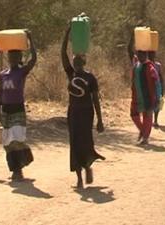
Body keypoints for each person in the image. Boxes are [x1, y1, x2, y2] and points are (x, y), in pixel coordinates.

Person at [61, 25, 105, 189]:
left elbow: (96, 100)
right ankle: (79, 177)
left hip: (87, 113)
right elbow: (62, 53)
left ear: (84, 61)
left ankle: (87, 167)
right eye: (75, 59)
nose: (76, 60)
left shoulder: (90, 78)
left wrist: (100, 120)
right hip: (73, 113)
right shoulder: (70, 74)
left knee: (85, 142)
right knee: (74, 143)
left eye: (79, 59)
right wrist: (67, 33)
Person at [0, 30, 36, 181]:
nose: (13, 58)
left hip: (17, 108)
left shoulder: (22, 72)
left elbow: (34, 60)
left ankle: (20, 168)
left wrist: (30, 39)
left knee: (17, 139)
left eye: (16, 56)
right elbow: (0, 94)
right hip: (6, 110)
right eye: (11, 56)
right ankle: (15, 169)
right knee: (7, 142)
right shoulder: (3, 74)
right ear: (8, 57)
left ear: (19, 58)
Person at [128, 30, 160, 145]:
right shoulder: (136, 64)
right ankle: (143, 131)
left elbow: (156, 82)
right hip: (137, 96)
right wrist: (132, 38)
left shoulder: (150, 67)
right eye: (139, 53)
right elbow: (129, 51)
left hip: (148, 96)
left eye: (143, 54)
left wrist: (157, 97)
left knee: (147, 116)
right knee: (133, 114)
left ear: (146, 55)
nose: (140, 56)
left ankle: (145, 137)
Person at [148, 51, 164, 128]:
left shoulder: (158, 65)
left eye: (153, 54)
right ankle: (149, 120)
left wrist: (162, 88)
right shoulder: (145, 65)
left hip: (157, 86)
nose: (151, 55)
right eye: (150, 54)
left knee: (157, 103)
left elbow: (160, 76)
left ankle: (155, 120)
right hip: (148, 86)